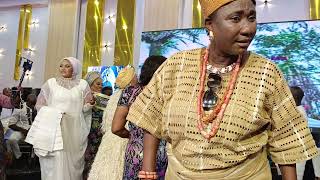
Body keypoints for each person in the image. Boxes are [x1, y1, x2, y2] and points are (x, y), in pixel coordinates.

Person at [126, 0, 319, 179]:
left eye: (252, 18)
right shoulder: (177, 65)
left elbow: (285, 140)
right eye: (236, 19)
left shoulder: (266, 73)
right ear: (210, 24)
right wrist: (148, 172)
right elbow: (151, 119)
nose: (248, 29)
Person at [30, 57, 93, 180]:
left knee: (73, 165)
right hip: (54, 129)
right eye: (61, 66)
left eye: (67, 66)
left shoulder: (83, 84)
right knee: (56, 161)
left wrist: (90, 104)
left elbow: (85, 109)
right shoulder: (51, 83)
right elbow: (39, 106)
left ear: (74, 68)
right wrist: (55, 113)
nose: (63, 68)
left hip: (74, 131)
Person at [112, 56, 168, 180]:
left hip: (135, 153)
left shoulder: (130, 92)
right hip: (162, 154)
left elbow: (116, 128)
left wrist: (134, 136)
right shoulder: (167, 95)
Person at [88, 66, 137, 180]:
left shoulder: (114, 96)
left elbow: (105, 123)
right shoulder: (129, 96)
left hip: (108, 138)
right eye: (135, 77)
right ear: (130, 80)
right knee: (117, 169)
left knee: (103, 169)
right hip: (122, 137)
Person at [289, 86, 320, 180]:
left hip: (297, 149)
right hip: (296, 148)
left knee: (296, 175)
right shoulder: (298, 110)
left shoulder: (298, 113)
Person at [83, 71, 104, 179]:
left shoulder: (103, 98)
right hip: (86, 133)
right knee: (85, 164)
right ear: (90, 84)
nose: (100, 86)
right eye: (98, 84)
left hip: (99, 135)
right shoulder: (83, 97)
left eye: (101, 84)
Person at [5, 94, 37, 159]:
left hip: (34, 131)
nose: (33, 106)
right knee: (11, 139)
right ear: (27, 101)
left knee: (41, 140)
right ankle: (19, 156)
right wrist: (23, 130)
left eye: (34, 104)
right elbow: (11, 124)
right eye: (31, 104)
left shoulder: (36, 109)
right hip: (21, 130)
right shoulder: (19, 108)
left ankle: (32, 158)